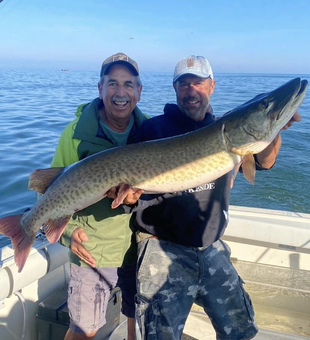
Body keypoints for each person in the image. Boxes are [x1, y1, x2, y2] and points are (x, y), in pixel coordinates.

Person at [116, 55, 301, 340]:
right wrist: (127, 196)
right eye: (184, 84)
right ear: (175, 89)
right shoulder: (153, 130)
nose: (191, 91)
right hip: (162, 250)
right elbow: (127, 191)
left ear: (212, 86)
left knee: (241, 331)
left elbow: (265, 160)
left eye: (199, 83)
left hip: (212, 248)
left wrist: (274, 127)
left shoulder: (230, 128)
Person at [51, 52, 147, 340]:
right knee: (84, 331)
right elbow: (52, 192)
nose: (121, 93)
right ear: (100, 88)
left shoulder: (152, 131)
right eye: (113, 83)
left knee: (136, 321)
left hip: (139, 247)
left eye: (129, 84)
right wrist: (68, 233)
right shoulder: (75, 135)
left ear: (139, 92)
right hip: (94, 251)